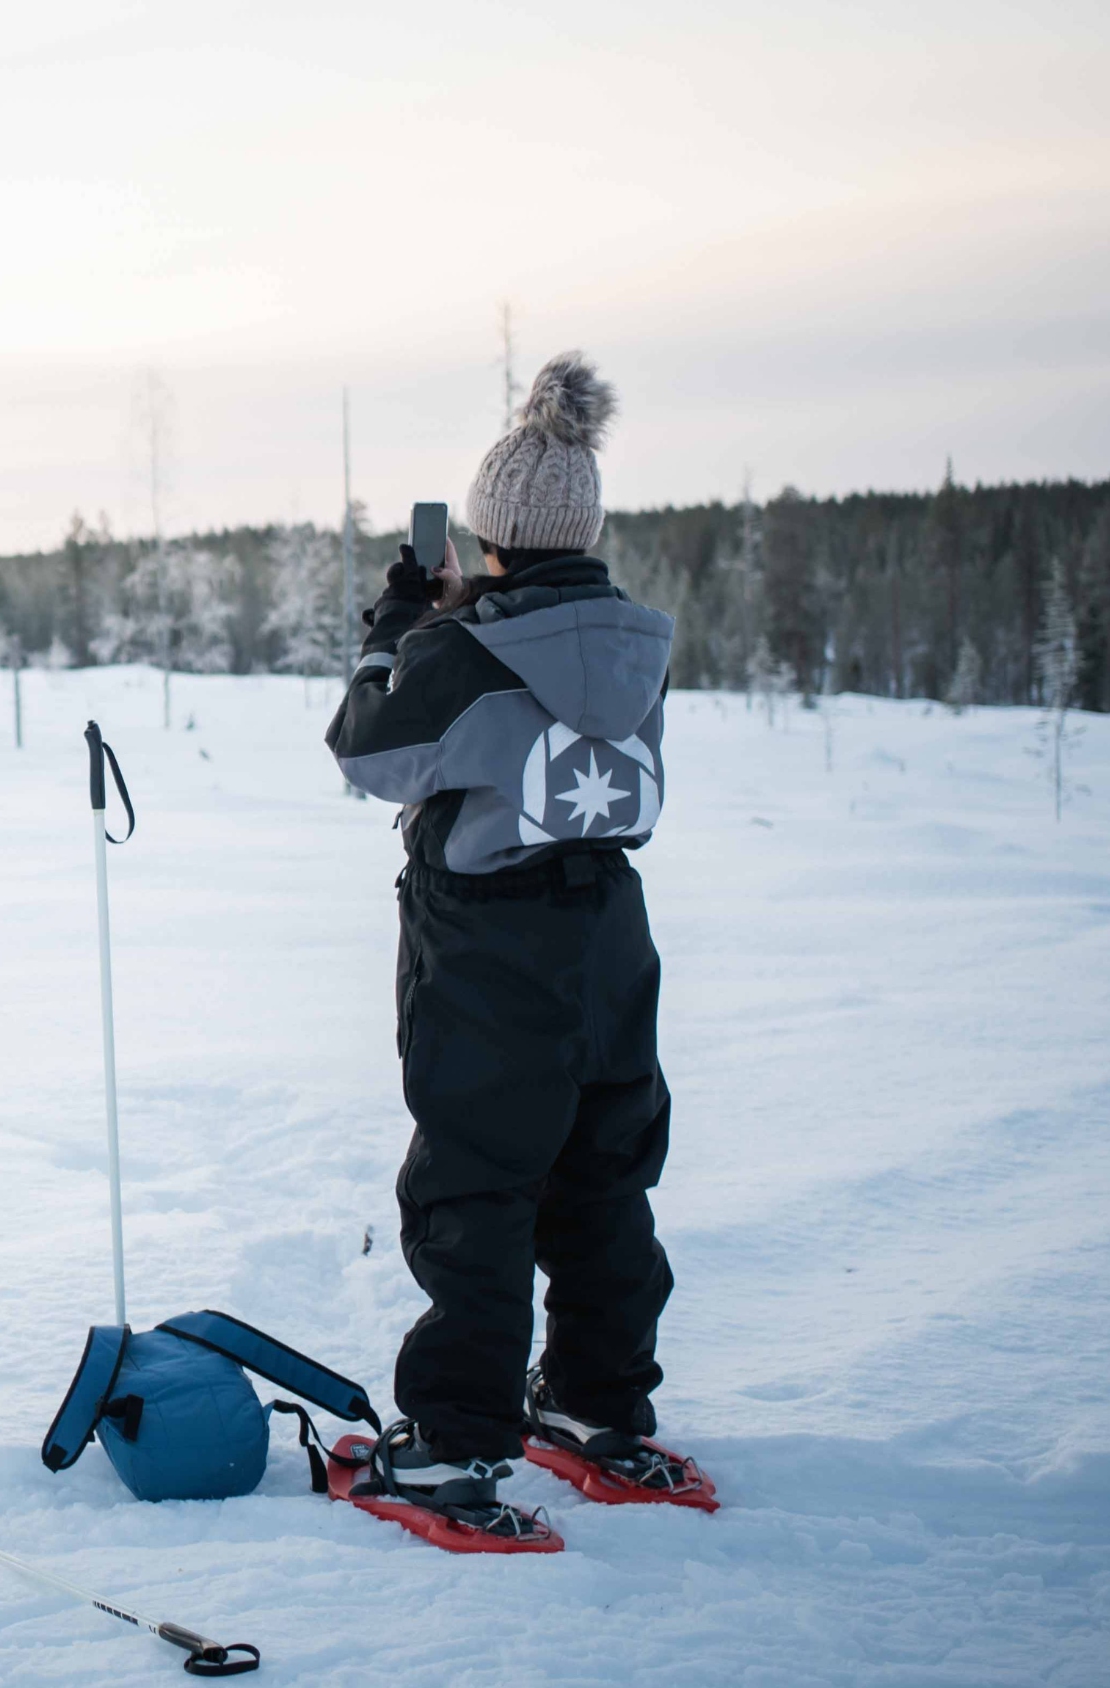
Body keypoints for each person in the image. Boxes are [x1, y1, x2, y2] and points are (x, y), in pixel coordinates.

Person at [323, 352, 697, 1543]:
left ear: (487, 536)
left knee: (475, 1185)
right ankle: (597, 1401)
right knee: (603, 1173)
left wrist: (398, 627)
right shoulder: (636, 645)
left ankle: (453, 1438)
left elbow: (367, 752)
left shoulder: (460, 651)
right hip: (609, 940)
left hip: (490, 949)